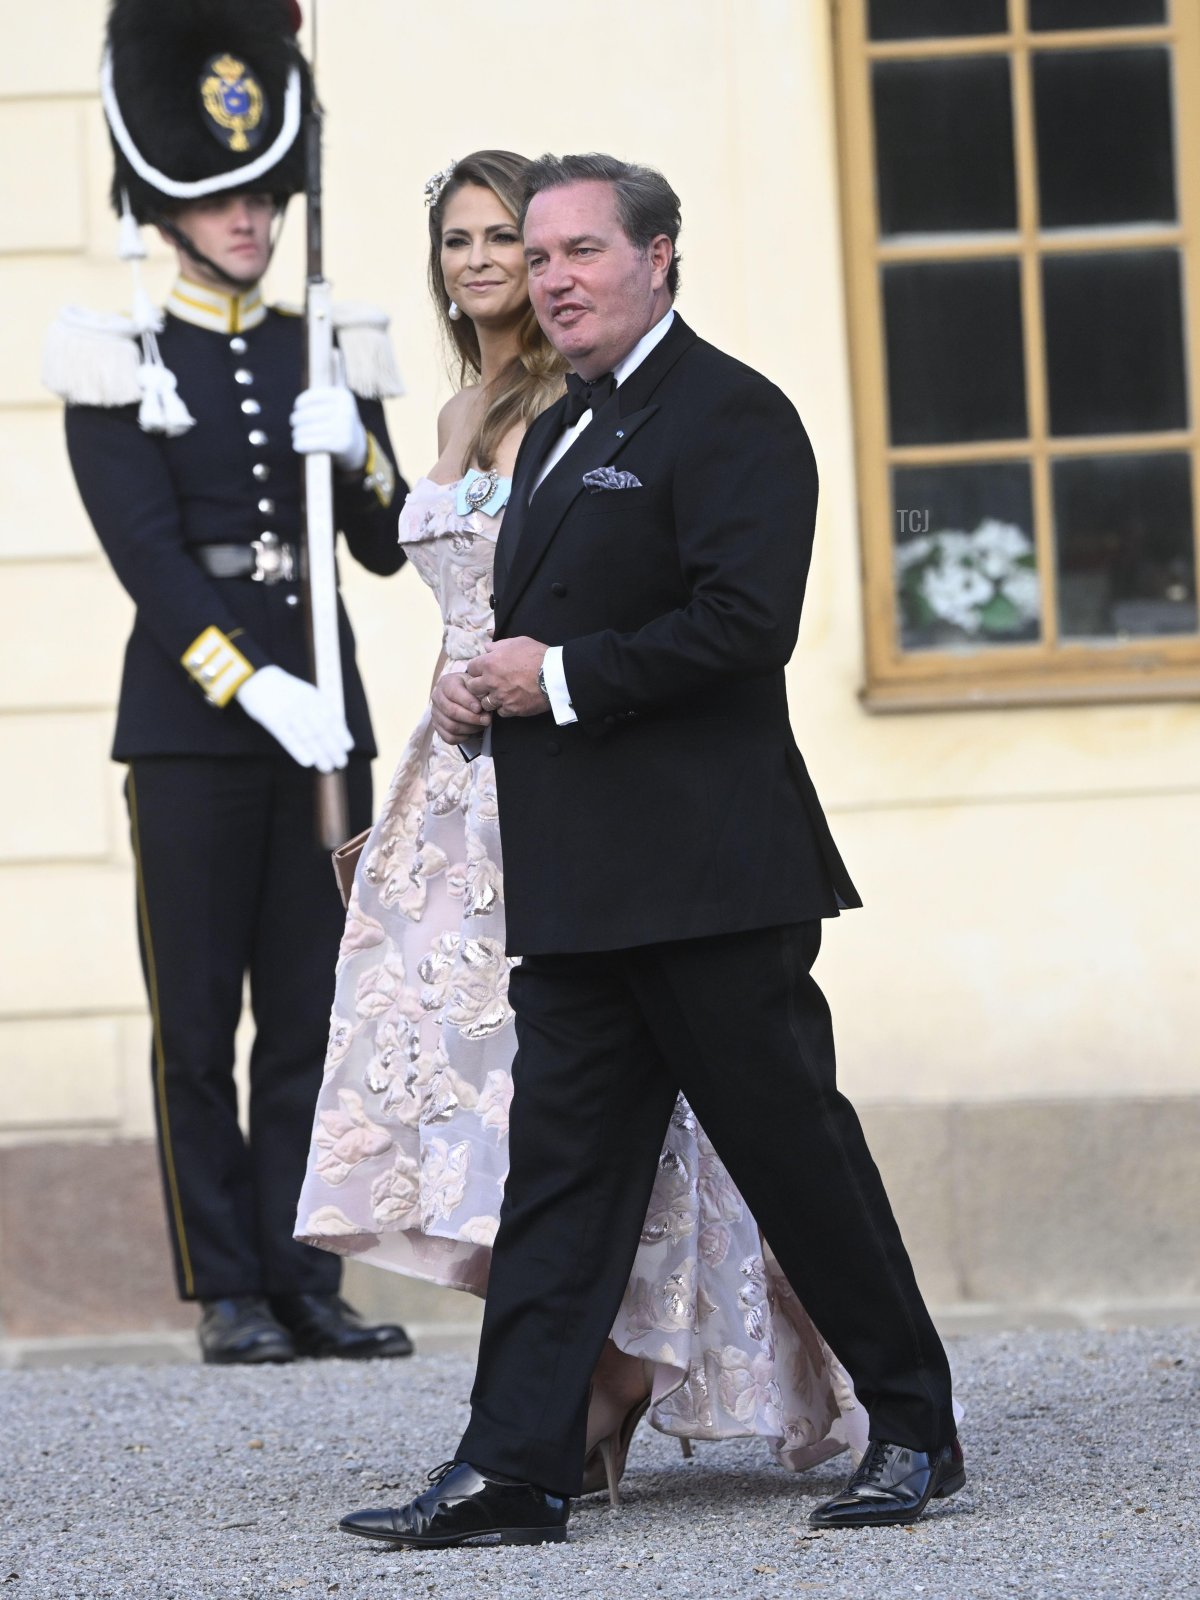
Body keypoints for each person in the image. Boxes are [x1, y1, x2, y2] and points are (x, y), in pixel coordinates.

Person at [337, 153, 965, 1549]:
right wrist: (481, 689)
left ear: (660, 256)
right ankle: (514, 1471)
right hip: (575, 881)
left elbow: (747, 625)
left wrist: (550, 677)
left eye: (581, 252)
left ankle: (916, 1424)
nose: (553, 277)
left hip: (708, 878)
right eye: (539, 256)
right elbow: (533, 616)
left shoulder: (735, 415)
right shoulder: (558, 428)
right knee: (558, 1185)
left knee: (796, 1158)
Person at [48, 0, 412, 1367]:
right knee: (200, 1018)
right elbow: (150, 558)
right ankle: (229, 1288)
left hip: (329, 717)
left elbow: (380, 546)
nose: (253, 217)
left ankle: (309, 1275)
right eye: (222, 198)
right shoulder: (117, 356)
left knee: (318, 1012)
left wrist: (362, 450)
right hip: (202, 731)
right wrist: (255, 689)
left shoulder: (325, 341)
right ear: (168, 204)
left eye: (267, 191)